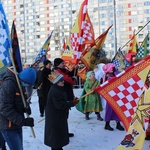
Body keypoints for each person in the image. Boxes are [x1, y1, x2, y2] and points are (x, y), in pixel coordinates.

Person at [0, 67, 36, 150]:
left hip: (16, 124)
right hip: (8, 125)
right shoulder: (9, 85)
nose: (27, 86)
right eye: (27, 83)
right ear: (23, 79)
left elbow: (21, 99)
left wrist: (26, 107)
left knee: (19, 147)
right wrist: (23, 121)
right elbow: (4, 108)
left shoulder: (19, 84)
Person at [44, 70, 78, 150]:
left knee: (58, 137)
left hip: (58, 117)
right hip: (55, 119)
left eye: (62, 80)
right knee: (56, 137)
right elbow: (61, 105)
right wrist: (72, 103)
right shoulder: (55, 91)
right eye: (60, 81)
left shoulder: (58, 89)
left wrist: (71, 101)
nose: (63, 82)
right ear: (56, 82)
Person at [53, 58, 77, 137]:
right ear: (57, 64)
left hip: (64, 95)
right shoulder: (56, 72)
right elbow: (69, 80)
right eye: (62, 63)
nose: (64, 64)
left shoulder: (62, 70)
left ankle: (64, 132)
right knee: (61, 116)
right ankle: (61, 133)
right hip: (60, 96)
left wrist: (75, 69)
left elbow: (69, 74)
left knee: (65, 116)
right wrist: (73, 79)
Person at [102, 63, 124, 131]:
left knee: (118, 110)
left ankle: (118, 123)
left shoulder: (114, 75)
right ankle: (107, 124)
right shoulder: (108, 78)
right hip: (110, 97)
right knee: (109, 110)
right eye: (114, 68)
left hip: (117, 95)